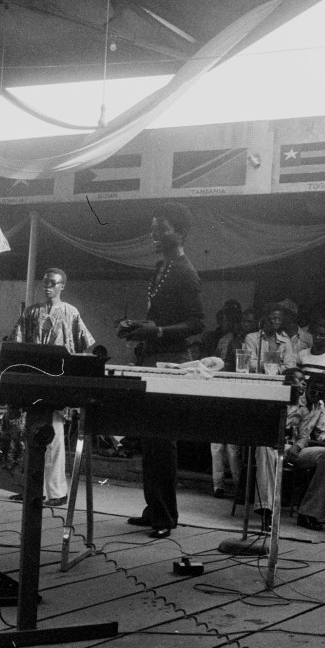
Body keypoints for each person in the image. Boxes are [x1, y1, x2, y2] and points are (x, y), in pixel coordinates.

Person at [118, 203, 205, 538]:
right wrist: (139, 326)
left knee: (162, 438)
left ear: (179, 232)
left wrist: (154, 331)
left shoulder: (185, 270)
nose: (154, 234)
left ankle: (166, 516)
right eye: (152, 228)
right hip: (153, 359)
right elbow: (164, 320)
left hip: (171, 361)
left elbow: (197, 323)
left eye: (161, 229)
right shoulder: (162, 268)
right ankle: (154, 508)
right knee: (151, 437)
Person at [11, 268, 95, 505]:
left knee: (55, 435)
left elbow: (82, 346)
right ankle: (32, 486)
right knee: (31, 433)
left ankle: (57, 491)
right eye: (45, 283)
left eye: (53, 283)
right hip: (35, 379)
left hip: (58, 380)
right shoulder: (31, 312)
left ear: (62, 286)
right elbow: (17, 342)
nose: (47, 287)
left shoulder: (71, 312)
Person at [255, 370, 325, 530]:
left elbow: (317, 432)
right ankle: (266, 509)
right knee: (264, 449)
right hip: (273, 444)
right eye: (313, 390)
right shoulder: (292, 398)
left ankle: (308, 512)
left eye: (321, 392)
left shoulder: (319, 405)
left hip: (295, 448)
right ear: (307, 386)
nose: (316, 394)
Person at [209, 308, 243, 498]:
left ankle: (238, 485)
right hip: (220, 390)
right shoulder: (223, 340)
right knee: (216, 443)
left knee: (232, 446)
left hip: (237, 393)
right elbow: (215, 364)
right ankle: (218, 485)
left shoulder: (249, 340)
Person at [244, 305, 296, 373]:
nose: (277, 322)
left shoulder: (285, 341)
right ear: (265, 319)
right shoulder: (252, 338)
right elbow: (250, 363)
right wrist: (274, 366)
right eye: (274, 318)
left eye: (280, 319)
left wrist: (270, 367)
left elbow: (289, 367)